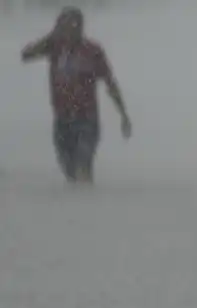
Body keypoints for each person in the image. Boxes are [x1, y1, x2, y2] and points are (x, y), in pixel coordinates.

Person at [20, 7, 132, 185]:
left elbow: (110, 83)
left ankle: (87, 207)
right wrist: (50, 36)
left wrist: (123, 114)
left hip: (86, 119)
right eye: (65, 26)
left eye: (74, 25)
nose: (71, 30)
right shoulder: (54, 47)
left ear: (81, 27)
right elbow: (25, 55)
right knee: (70, 172)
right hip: (62, 121)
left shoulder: (92, 51)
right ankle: (77, 209)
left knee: (83, 168)